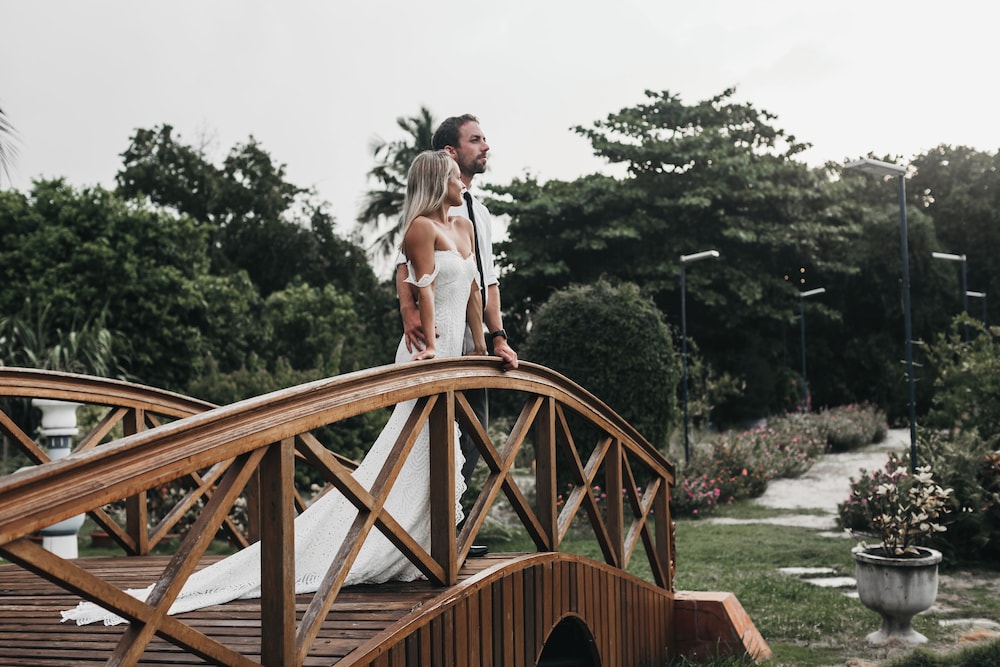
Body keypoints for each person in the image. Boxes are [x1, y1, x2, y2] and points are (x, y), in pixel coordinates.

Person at [61, 150, 487, 626]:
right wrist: (429, 350)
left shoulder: (465, 229)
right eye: (453, 176)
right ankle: (381, 547)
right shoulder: (420, 230)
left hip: (457, 358)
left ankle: (417, 548)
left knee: (432, 455)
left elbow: (471, 293)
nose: (461, 182)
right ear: (435, 179)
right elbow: (422, 289)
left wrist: (484, 349)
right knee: (411, 453)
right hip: (427, 357)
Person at [396, 114, 518, 488]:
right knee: (427, 439)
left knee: (472, 436)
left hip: (471, 341)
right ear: (451, 150)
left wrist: (496, 336)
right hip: (438, 334)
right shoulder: (429, 214)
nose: (486, 147)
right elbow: (406, 268)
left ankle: (447, 526)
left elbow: (485, 281)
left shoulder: (477, 214)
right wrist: (409, 312)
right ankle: (431, 537)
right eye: (476, 139)